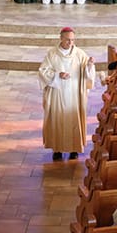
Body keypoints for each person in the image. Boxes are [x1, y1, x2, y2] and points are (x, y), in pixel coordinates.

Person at [38, 27, 95, 161]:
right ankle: (57, 149)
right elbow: (43, 71)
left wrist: (90, 66)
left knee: (73, 120)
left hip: (74, 95)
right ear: (61, 38)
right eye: (68, 40)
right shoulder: (52, 54)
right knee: (57, 120)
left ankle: (74, 149)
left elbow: (87, 74)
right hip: (57, 93)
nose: (71, 43)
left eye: (73, 40)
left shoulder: (80, 54)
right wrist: (58, 75)